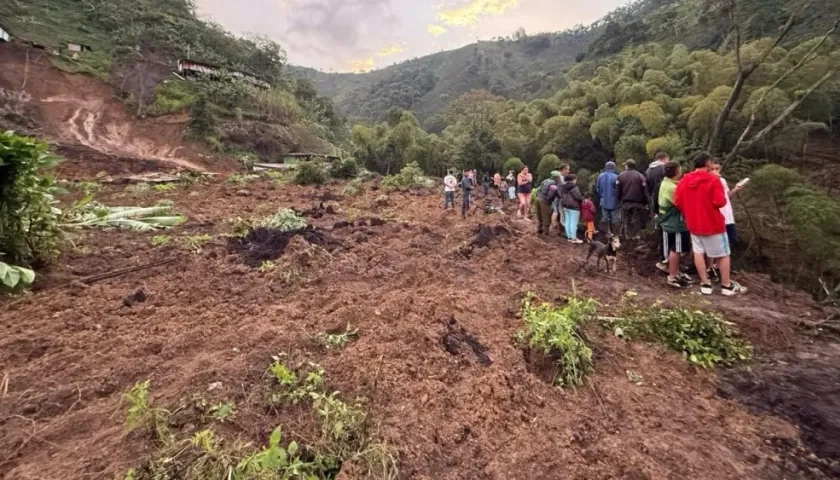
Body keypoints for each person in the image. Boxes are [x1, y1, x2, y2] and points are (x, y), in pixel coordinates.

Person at [674, 153, 747, 296]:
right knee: (724, 254)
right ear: (708, 164)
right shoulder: (714, 181)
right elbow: (720, 202)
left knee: (699, 253)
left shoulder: (684, 180)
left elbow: (677, 201)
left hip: (694, 223)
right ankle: (726, 285)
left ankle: (705, 284)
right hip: (713, 223)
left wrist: (690, 210)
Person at [658, 161, 694, 288]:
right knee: (676, 249)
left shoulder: (666, 182)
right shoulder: (672, 188)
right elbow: (683, 203)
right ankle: (672, 276)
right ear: (677, 172)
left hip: (668, 220)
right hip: (675, 222)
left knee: (675, 248)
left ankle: (675, 272)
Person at [709, 163, 747, 280]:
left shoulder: (723, 180)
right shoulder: (708, 182)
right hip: (716, 216)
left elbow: (727, 196)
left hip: (727, 216)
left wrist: (736, 189)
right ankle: (710, 268)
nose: (715, 171)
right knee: (714, 243)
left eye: (717, 168)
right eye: (712, 169)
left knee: (728, 242)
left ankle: (719, 266)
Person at [616, 159, 649, 240]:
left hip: (625, 201)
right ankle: (635, 235)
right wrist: (646, 201)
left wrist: (619, 199)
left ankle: (626, 235)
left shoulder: (620, 176)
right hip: (638, 202)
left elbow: (618, 190)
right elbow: (645, 190)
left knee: (626, 218)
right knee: (636, 218)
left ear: (627, 166)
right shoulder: (640, 176)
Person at [596, 161, 620, 235]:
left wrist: (602, 196)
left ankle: (606, 234)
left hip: (603, 201)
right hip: (615, 202)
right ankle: (616, 234)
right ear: (614, 167)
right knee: (615, 219)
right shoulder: (616, 177)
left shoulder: (600, 176)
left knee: (605, 218)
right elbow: (618, 190)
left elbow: (598, 188)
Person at [535, 171, 562, 235]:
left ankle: (539, 230)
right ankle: (545, 233)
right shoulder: (553, 184)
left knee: (540, 216)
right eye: (559, 177)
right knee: (546, 216)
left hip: (538, 198)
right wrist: (548, 202)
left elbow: (539, 189)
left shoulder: (545, 180)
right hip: (544, 200)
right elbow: (551, 194)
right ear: (556, 177)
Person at [560, 174, 584, 243]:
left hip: (565, 206)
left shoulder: (562, 186)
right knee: (573, 223)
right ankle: (574, 238)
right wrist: (583, 198)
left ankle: (569, 237)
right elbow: (578, 197)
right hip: (574, 207)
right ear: (573, 180)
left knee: (567, 221)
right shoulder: (574, 187)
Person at [552, 163, 571, 234]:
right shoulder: (558, 177)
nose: (568, 171)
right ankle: (554, 227)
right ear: (564, 169)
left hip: (559, 197)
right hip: (557, 198)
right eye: (568, 169)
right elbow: (558, 188)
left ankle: (558, 229)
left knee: (559, 212)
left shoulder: (560, 176)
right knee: (557, 212)